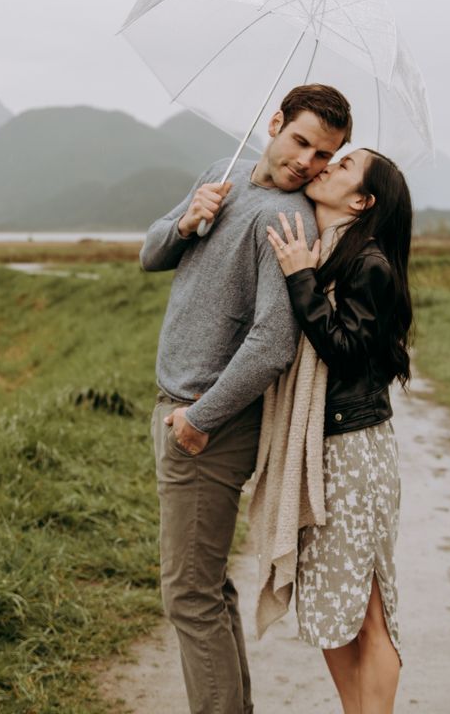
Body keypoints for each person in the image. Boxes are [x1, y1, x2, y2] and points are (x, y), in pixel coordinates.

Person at [140, 84, 352, 714]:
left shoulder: (283, 219)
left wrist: (199, 421)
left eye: (325, 155)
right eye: (302, 142)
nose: (308, 163)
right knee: (207, 591)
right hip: (177, 404)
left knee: (188, 596)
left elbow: (271, 342)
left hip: (206, 421)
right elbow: (149, 255)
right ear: (275, 122)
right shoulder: (222, 172)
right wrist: (185, 220)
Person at [266, 147, 413, 714]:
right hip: (320, 451)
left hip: (355, 453)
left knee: (369, 612)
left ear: (361, 201)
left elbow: (347, 352)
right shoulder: (326, 252)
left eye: (344, 165)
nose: (326, 165)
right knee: (329, 606)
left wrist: (301, 280)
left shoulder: (366, 262)